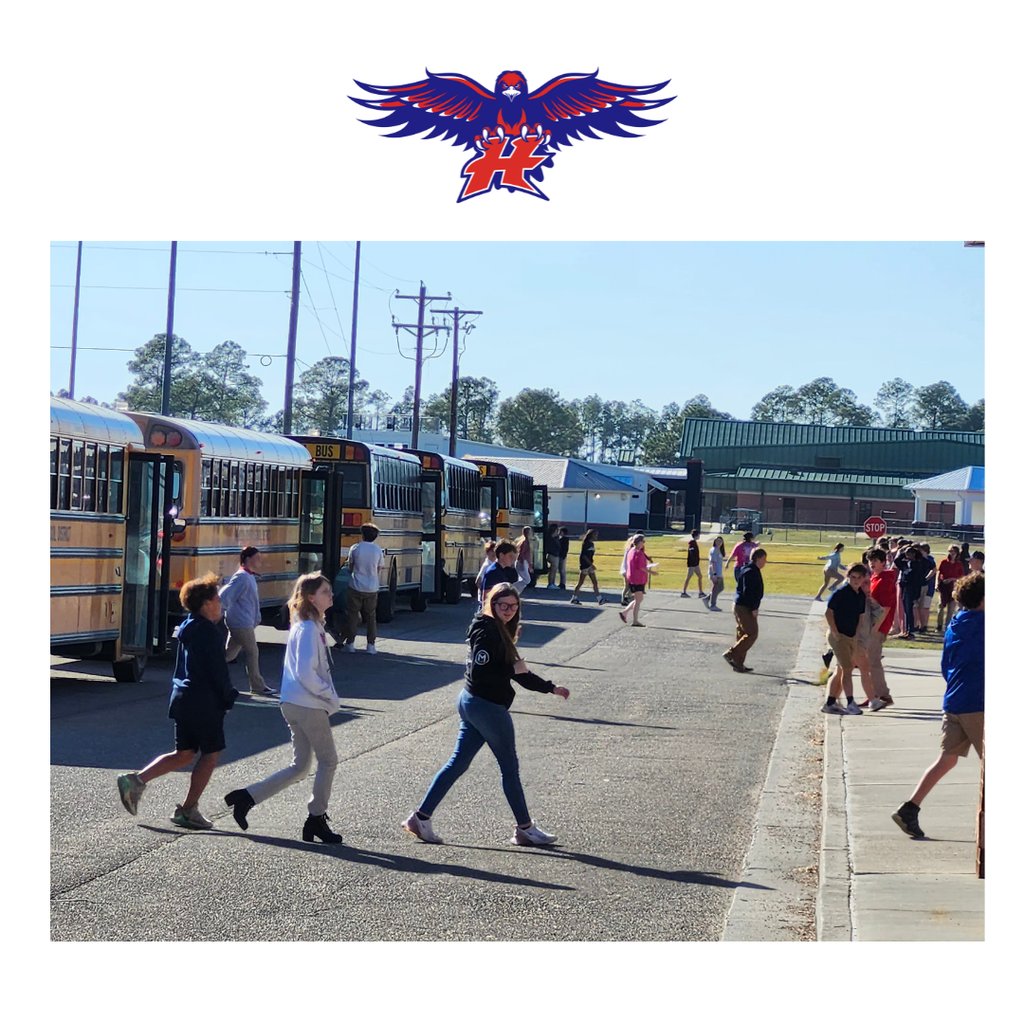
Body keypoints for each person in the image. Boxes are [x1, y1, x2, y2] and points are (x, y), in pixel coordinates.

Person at [400, 582, 570, 846]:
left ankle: (420, 817)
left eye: (514, 606)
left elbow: (518, 673)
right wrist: (511, 669)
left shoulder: (496, 630)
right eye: (503, 605)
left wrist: (551, 688)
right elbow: (486, 672)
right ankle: (525, 828)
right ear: (492, 603)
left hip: (472, 702)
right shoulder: (488, 632)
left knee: (458, 763)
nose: (509, 611)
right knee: (509, 768)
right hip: (486, 706)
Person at [224, 573, 343, 844]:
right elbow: (306, 672)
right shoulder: (309, 629)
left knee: (300, 766)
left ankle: (246, 797)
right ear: (311, 597)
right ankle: (316, 818)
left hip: (293, 702)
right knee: (328, 761)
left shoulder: (306, 625)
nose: (331, 595)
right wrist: (329, 696)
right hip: (308, 704)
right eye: (326, 591)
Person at [117, 573, 237, 829]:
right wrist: (228, 698)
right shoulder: (210, 633)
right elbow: (218, 671)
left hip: (182, 698)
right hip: (204, 701)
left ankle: (136, 780)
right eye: (217, 600)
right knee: (211, 753)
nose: (220, 605)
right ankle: (188, 809)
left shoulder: (188, 627)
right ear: (206, 603)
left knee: (184, 753)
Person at [892, 572, 984, 839]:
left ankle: (910, 808)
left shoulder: (956, 623)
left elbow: (946, 665)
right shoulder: (986, 625)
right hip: (978, 703)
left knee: (947, 759)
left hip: (954, 700)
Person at [820, 564, 881, 714]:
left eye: (859, 578)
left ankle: (830, 703)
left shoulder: (860, 595)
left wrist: (855, 632)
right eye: (853, 577)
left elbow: (860, 616)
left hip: (851, 636)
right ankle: (850, 703)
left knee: (842, 669)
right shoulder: (841, 593)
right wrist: (835, 632)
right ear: (848, 577)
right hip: (838, 636)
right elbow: (829, 613)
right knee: (847, 669)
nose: (856, 580)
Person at [219, 546, 277, 697]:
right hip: (241, 623)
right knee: (252, 651)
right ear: (248, 559)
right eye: (257, 558)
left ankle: (205, 671)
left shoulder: (247, 576)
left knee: (228, 655)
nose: (260, 561)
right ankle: (257, 685)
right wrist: (217, 612)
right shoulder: (242, 577)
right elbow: (225, 595)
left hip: (242, 621)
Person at [858, 548, 897, 706]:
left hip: (878, 626)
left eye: (875, 560)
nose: (872, 563)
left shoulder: (885, 580)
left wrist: (875, 628)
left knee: (873, 661)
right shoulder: (874, 577)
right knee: (868, 662)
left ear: (883, 562)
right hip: (871, 624)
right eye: (870, 560)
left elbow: (886, 608)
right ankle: (873, 694)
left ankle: (883, 695)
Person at [341, 523, 385, 655]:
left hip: (355, 585)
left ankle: (350, 643)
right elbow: (379, 568)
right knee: (371, 616)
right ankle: (371, 645)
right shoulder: (378, 550)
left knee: (353, 615)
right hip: (371, 587)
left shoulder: (355, 548)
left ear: (362, 535)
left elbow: (350, 566)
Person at [723, 548, 767, 672]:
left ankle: (738, 663)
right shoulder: (750, 571)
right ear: (758, 559)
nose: (765, 562)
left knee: (743, 634)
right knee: (752, 633)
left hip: (741, 605)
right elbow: (749, 592)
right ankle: (732, 654)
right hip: (744, 606)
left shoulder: (750, 569)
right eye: (764, 559)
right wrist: (754, 608)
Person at [619, 535, 656, 626]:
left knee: (638, 598)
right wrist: (651, 572)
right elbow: (641, 567)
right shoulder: (638, 553)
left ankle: (625, 612)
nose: (644, 543)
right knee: (638, 600)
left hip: (632, 577)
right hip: (637, 578)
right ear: (639, 542)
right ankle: (635, 620)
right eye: (643, 541)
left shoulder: (631, 551)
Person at [894, 544, 928, 640]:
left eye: (910, 554)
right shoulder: (906, 563)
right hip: (905, 588)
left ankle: (910, 630)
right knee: (906, 610)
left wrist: (917, 554)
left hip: (912, 589)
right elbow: (896, 561)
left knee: (909, 609)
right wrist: (902, 552)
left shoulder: (918, 564)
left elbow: (928, 566)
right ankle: (907, 630)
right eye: (907, 554)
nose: (908, 556)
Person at [935, 544, 965, 633]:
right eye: (950, 551)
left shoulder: (959, 564)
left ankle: (947, 626)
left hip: (953, 587)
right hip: (943, 586)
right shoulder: (944, 562)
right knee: (941, 606)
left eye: (954, 551)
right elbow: (939, 573)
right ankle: (939, 626)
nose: (952, 553)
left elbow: (961, 577)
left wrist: (952, 579)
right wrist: (937, 583)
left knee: (951, 609)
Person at [570, 529, 605, 605]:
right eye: (595, 535)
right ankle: (574, 597)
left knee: (594, 582)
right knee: (581, 582)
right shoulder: (586, 544)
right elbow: (584, 556)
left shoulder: (592, 544)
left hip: (590, 565)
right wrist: (591, 564)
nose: (596, 536)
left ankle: (599, 598)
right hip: (585, 565)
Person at [914, 543, 937, 633]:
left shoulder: (929, 560)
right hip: (918, 586)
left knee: (924, 607)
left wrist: (926, 578)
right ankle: (918, 625)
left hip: (927, 586)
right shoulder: (918, 560)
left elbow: (934, 570)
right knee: (917, 606)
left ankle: (924, 625)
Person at [703, 535, 726, 611]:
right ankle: (713, 604)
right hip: (715, 572)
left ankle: (708, 598)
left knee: (721, 587)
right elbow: (712, 563)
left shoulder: (719, 550)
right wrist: (714, 574)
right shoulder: (714, 550)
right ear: (715, 542)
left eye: (720, 541)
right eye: (717, 541)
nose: (719, 543)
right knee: (716, 587)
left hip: (719, 572)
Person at [680, 530, 706, 598]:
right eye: (698, 535)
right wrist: (693, 563)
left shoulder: (694, 543)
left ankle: (700, 592)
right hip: (692, 564)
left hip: (696, 564)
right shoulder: (692, 544)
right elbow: (691, 554)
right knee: (688, 577)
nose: (699, 536)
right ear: (696, 535)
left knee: (700, 576)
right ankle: (683, 592)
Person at [475, 540, 498, 610]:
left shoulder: (494, 564)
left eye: (495, 551)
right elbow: (478, 581)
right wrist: (484, 593)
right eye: (491, 551)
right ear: (487, 552)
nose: (493, 553)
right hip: (486, 599)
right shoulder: (487, 566)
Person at [514, 526, 534, 594]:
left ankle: (516, 593)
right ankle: (511, 587)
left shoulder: (522, 540)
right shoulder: (525, 542)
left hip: (522, 561)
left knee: (522, 580)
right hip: (522, 562)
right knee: (527, 580)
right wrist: (523, 563)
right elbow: (522, 553)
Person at [545, 524, 561, 588]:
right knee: (553, 570)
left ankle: (552, 583)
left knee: (553, 570)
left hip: (554, 555)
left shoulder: (553, 538)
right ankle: (551, 583)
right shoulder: (551, 539)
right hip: (553, 555)